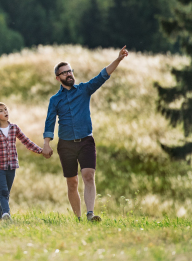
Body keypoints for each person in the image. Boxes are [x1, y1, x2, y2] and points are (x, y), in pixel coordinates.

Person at [42, 46, 129, 222]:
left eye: (70, 71)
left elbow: (102, 76)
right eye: (64, 73)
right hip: (65, 145)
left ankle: (90, 214)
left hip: (86, 141)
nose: (69, 74)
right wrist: (46, 143)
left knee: (88, 175)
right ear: (58, 78)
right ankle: (78, 217)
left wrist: (118, 59)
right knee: (72, 182)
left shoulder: (84, 90)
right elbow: (50, 121)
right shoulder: (55, 100)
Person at [0, 102, 43, 221]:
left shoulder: (14, 128)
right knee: (3, 191)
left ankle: (2, 216)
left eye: (5, 109)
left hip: (12, 166)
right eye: (1, 110)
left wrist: (40, 150)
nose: (5, 112)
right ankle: (7, 213)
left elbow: (26, 141)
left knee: (6, 193)